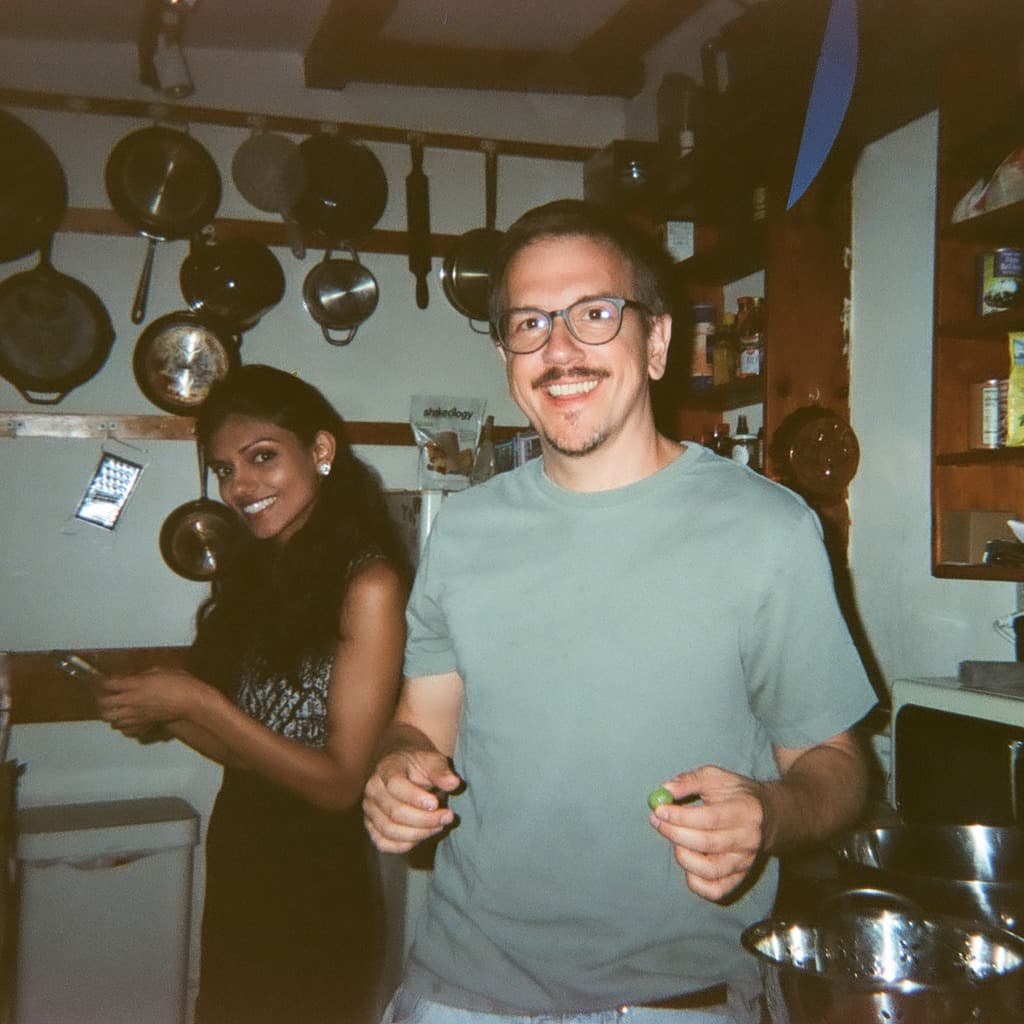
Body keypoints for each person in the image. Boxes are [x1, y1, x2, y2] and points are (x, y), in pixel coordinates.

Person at [362, 200, 878, 1024]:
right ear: (505, 358)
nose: (560, 349)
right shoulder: (463, 529)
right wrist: (397, 768)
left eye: (595, 314)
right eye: (530, 324)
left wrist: (771, 813)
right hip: (460, 988)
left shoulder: (768, 530)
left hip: (678, 1000)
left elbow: (837, 765)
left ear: (658, 341)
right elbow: (421, 725)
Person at [96, 364, 410, 1024]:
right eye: (224, 469)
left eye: (261, 457)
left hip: (318, 884)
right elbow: (250, 754)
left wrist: (196, 704)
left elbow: (338, 784)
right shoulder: (260, 572)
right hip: (242, 854)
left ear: (320, 451)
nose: (239, 487)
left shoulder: (369, 584)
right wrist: (160, 712)